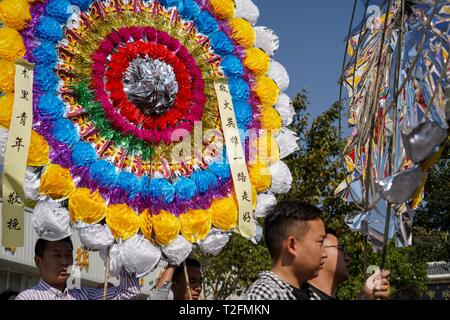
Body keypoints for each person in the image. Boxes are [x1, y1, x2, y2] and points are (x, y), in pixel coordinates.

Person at [246, 200, 328, 300]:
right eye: (320, 241)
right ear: (292, 245)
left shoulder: (313, 295)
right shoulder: (265, 294)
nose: (325, 253)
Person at [15, 237, 140, 300]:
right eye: (57, 255)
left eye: (68, 255)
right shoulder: (28, 297)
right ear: (38, 261)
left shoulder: (84, 295)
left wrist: (124, 244)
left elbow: (129, 292)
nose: (64, 262)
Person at [308, 228, 391, 300]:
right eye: (340, 248)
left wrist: (365, 297)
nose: (348, 258)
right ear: (321, 251)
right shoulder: (298, 295)